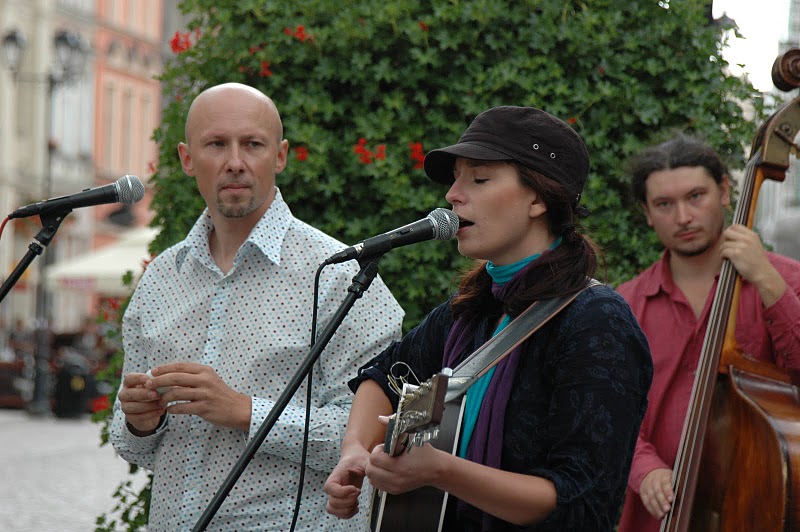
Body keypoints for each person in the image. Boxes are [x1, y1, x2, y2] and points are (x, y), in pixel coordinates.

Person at [324, 106, 653, 530]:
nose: (452, 195)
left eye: (478, 178)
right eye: (456, 179)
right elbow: (384, 376)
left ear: (539, 198)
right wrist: (354, 450)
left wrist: (440, 470)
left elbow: (581, 501)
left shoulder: (597, 322)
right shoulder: (470, 308)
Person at [109, 83, 404, 531]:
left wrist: (246, 411)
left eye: (252, 144)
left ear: (280, 156)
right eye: (216, 144)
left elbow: (379, 435)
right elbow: (130, 445)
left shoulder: (342, 277)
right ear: (188, 159)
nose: (235, 162)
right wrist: (140, 423)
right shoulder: (160, 279)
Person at [616, 134, 800, 532]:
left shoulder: (786, 281)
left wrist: (768, 283)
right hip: (659, 518)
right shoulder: (626, 305)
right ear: (647, 213)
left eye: (696, 196)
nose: (683, 217)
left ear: (723, 191)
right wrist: (645, 470)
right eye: (664, 204)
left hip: (761, 507)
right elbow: (609, 413)